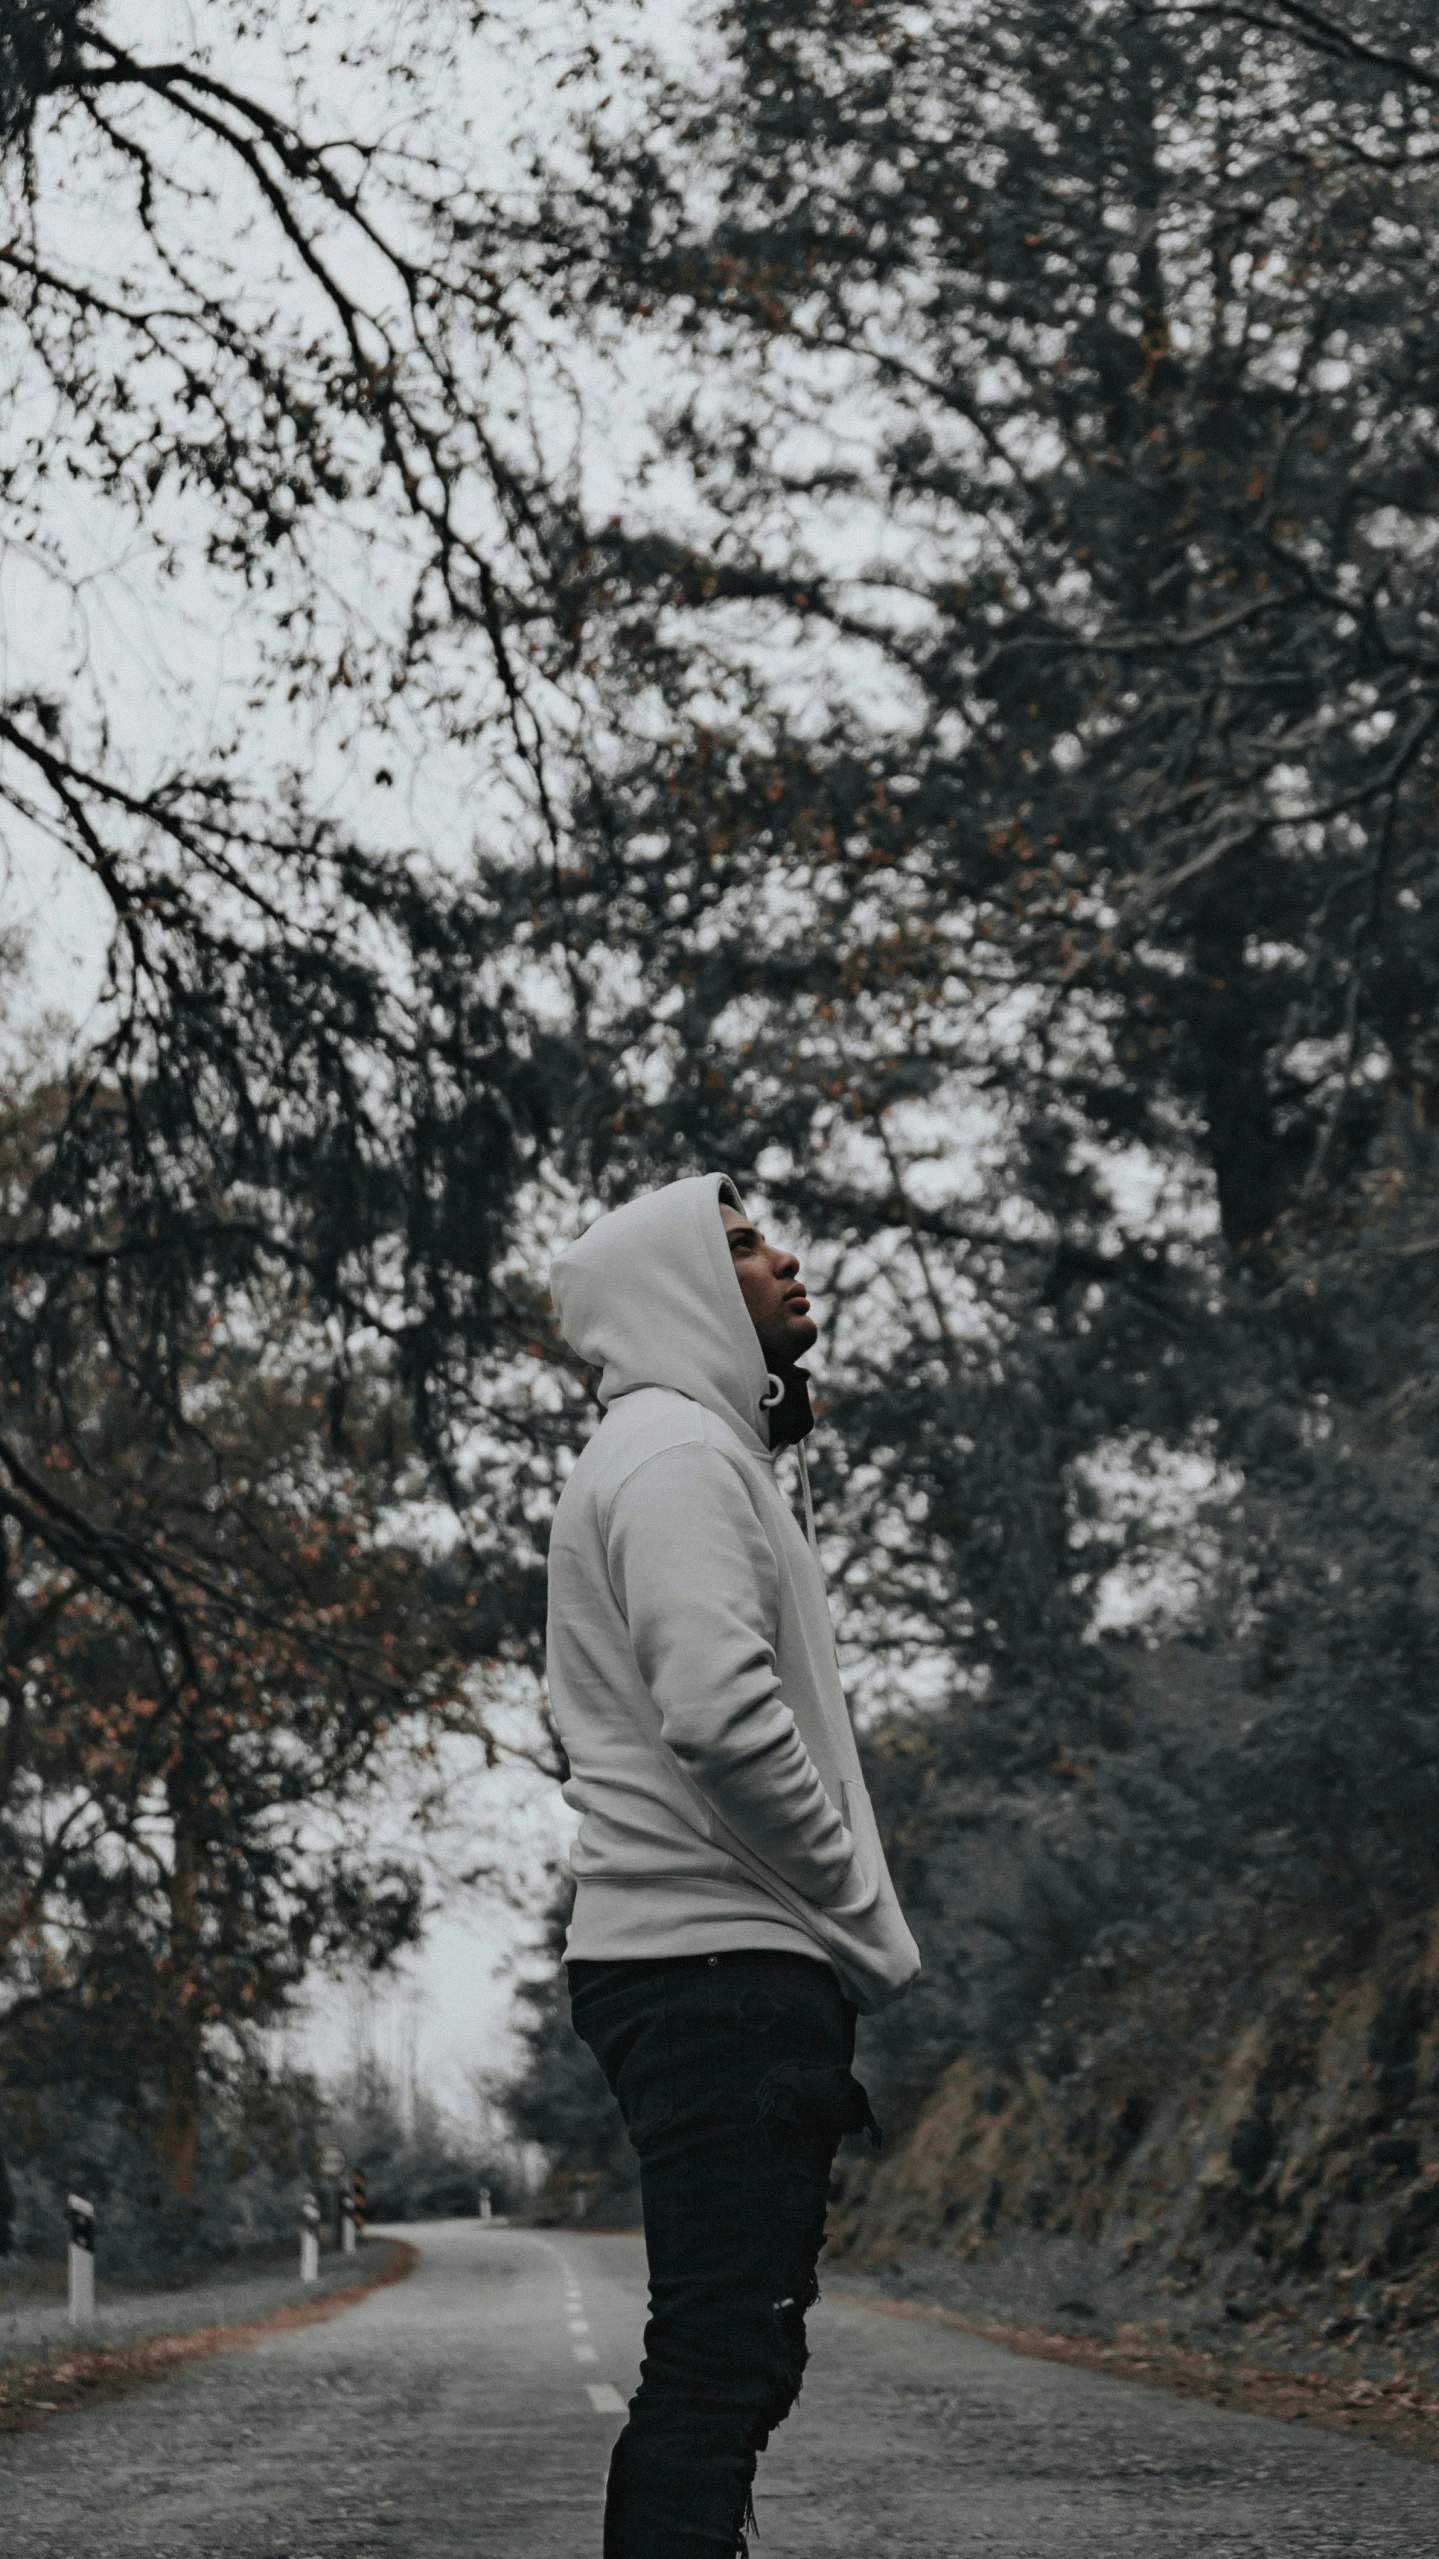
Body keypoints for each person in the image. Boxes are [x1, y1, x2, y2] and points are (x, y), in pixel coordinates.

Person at [547, 1172, 921, 2559]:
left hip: (701, 1960)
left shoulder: (690, 1452)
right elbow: (714, 1711)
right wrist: (842, 1898)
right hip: (718, 1965)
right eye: (742, 1243)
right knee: (717, 2368)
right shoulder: (676, 1458)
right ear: (680, 1291)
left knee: (727, 2363)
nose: (785, 1258)